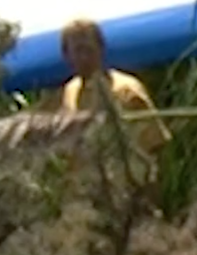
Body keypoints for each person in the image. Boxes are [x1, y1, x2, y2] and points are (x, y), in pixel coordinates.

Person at [57, 19, 172, 157]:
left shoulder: (126, 90)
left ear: (101, 48)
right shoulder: (70, 92)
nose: (84, 57)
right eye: (77, 51)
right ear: (66, 55)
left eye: (89, 49)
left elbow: (155, 142)